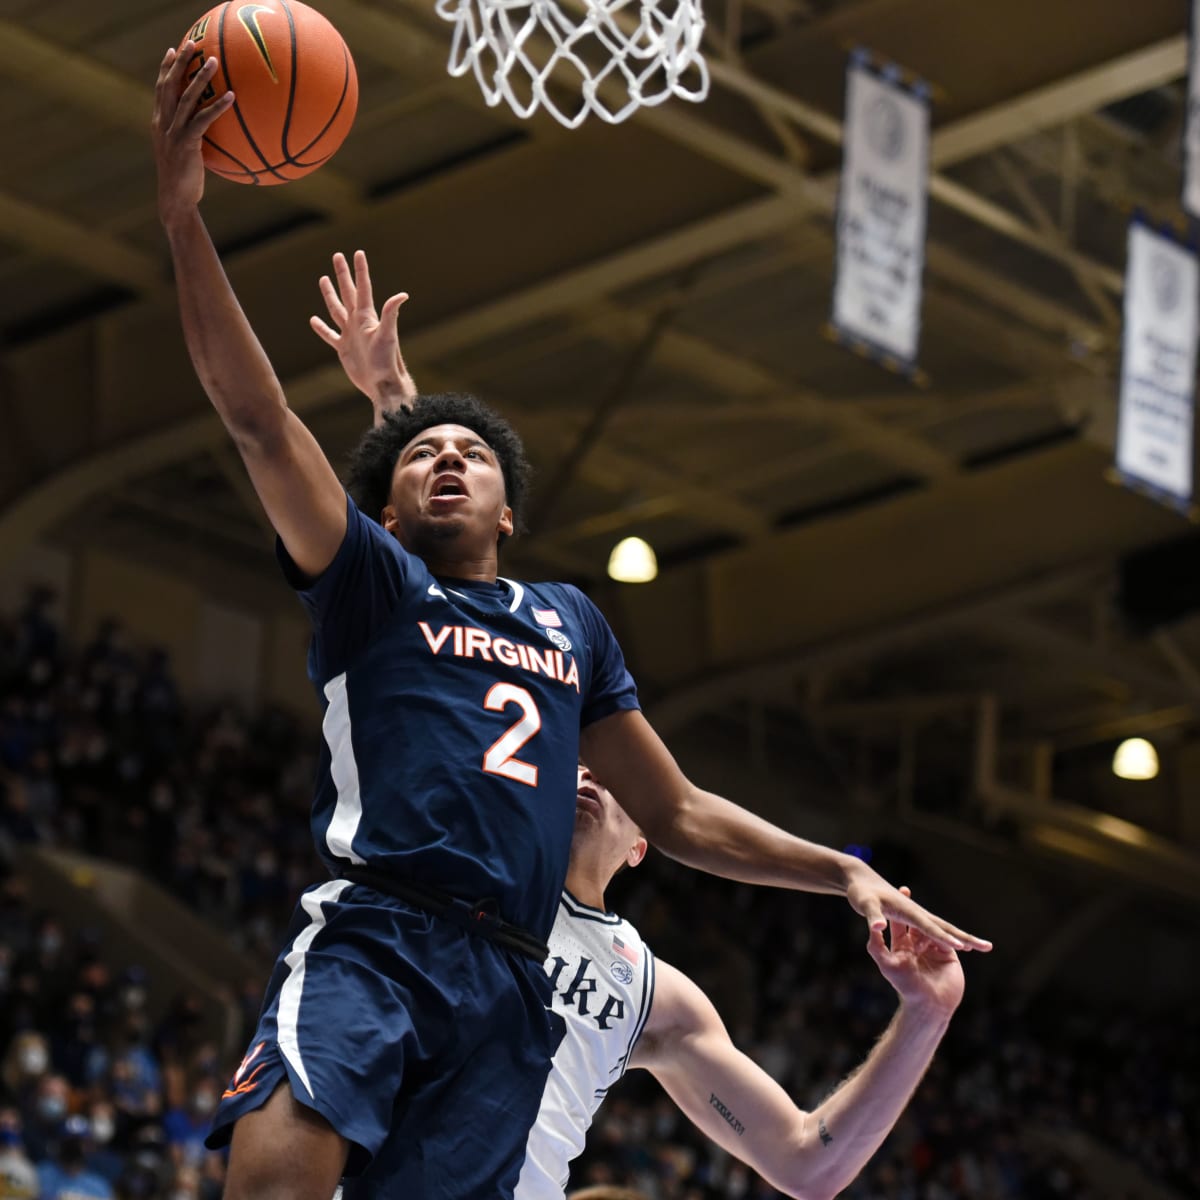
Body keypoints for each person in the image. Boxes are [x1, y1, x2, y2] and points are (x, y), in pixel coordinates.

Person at [152, 46, 989, 1200]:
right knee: (273, 1181)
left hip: (510, 984)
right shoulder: (371, 587)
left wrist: (845, 876)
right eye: (423, 458)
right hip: (385, 932)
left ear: (512, 503)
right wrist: (184, 213)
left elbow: (683, 809)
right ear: (381, 506)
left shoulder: (568, 622)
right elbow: (255, 418)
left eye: (476, 454)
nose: (451, 461)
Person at [515, 766, 964, 1200]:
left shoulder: (650, 994)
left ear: (639, 847)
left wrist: (926, 1014)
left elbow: (807, 1163)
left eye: (619, 775)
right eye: (578, 764)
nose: (593, 775)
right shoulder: (465, 880)